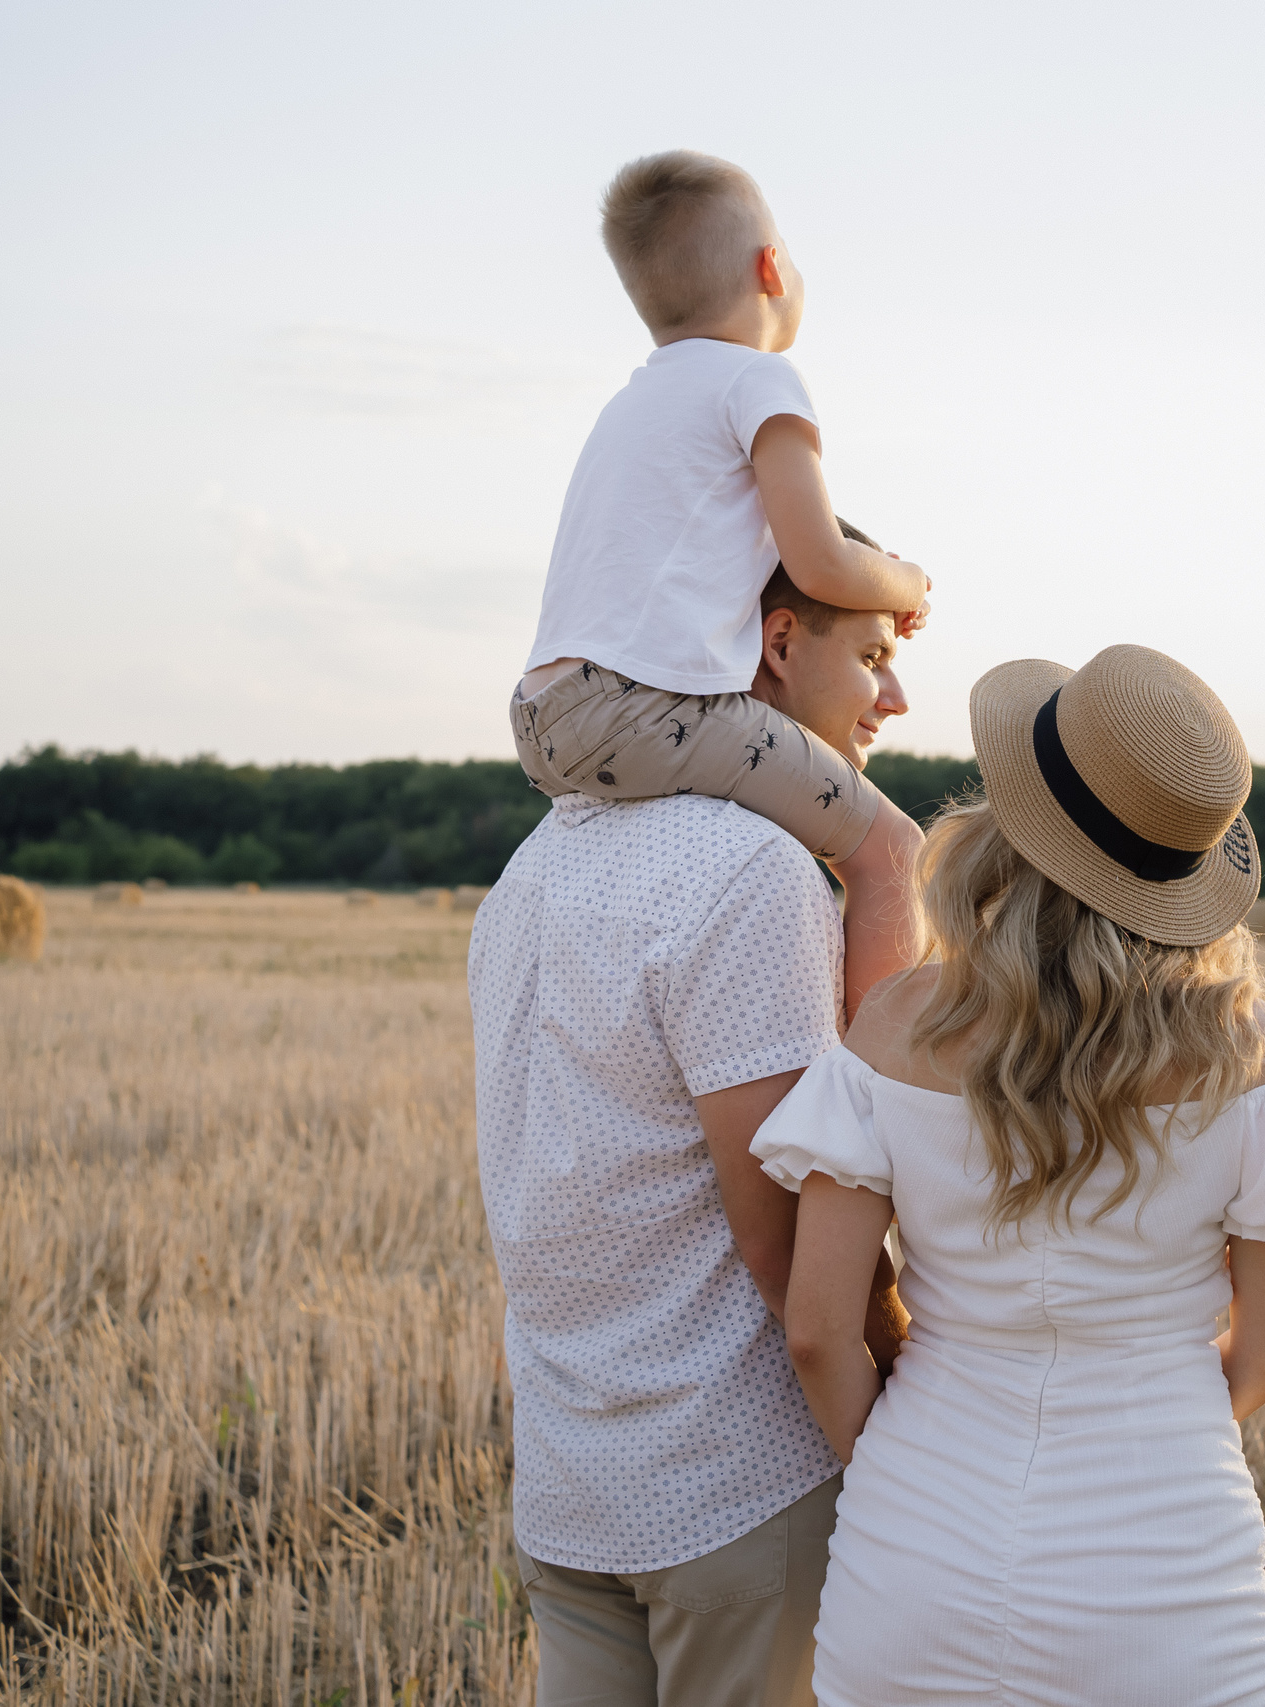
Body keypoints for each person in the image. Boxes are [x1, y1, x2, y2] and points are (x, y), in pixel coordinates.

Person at [751, 644, 1265, 1706]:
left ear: (1005, 832)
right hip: (1166, 1583)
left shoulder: (896, 1027)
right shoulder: (1255, 1057)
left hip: (913, 1563)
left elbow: (817, 1326)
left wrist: (900, 1477)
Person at [468, 567, 919, 1707]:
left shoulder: (535, 863)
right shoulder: (749, 870)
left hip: (571, 1490)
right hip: (734, 1489)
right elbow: (788, 1233)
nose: (897, 696)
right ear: (777, 640)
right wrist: (904, 1408)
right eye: (870, 656)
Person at [511, 149, 930, 1021]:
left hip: (543, 711)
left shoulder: (632, 402)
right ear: (771, 268)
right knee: (891, 851)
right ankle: (877, 1083)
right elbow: (818, 562)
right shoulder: (761, 379)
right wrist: (903, 580)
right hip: (639, 706)